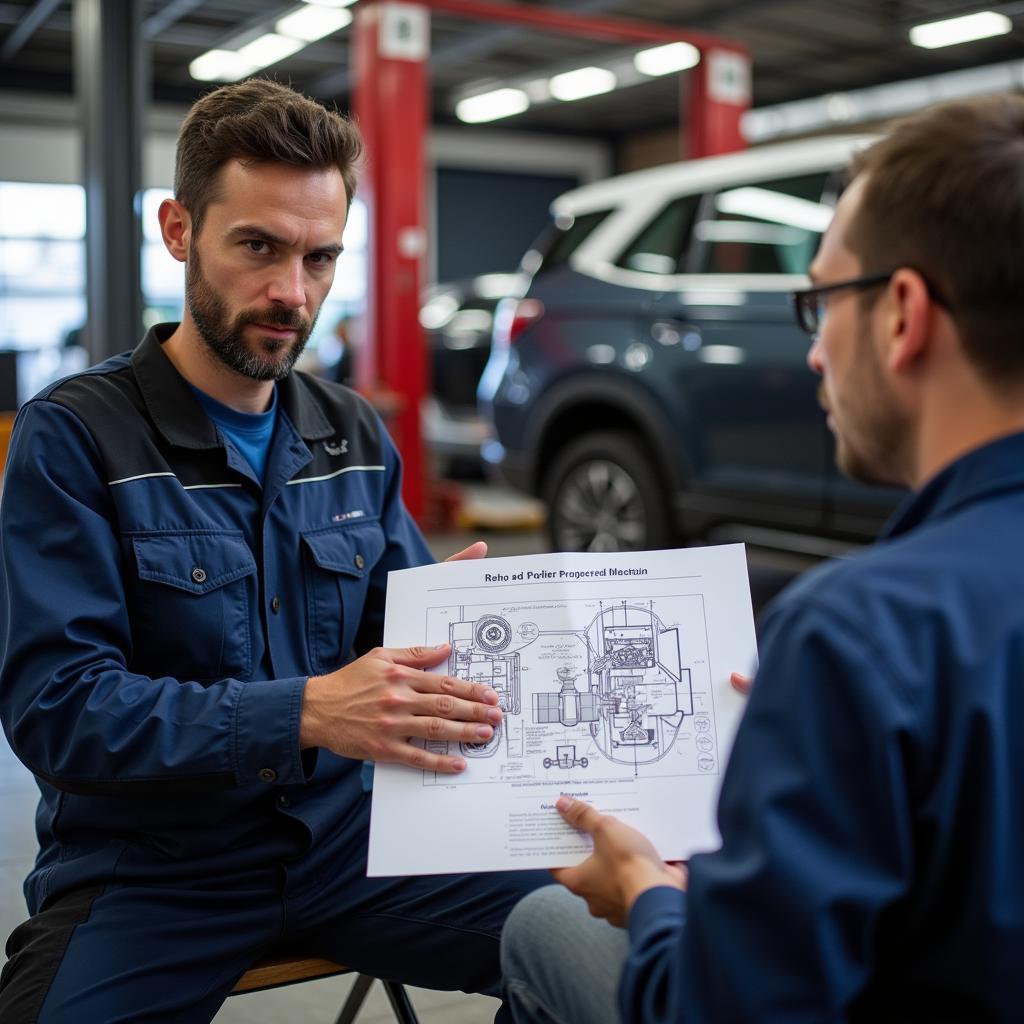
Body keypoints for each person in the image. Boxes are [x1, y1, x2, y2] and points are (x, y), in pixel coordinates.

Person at [0, 78, 544, 1022]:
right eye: (258, 247)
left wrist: (461, 628)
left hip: (353, 845)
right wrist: (303, 712)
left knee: (613, 942)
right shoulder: (75, 438)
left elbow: (394, 647)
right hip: (157, 869)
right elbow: (59, 709)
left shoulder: (352, 433)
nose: (292, 293)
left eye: (320, 257)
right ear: (178, 229)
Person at [501, 92, 1024, 1023]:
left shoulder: (859, 634)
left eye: (821, 299)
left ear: (903, 315)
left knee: (542, 925)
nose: (815, 352)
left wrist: (648, 895)